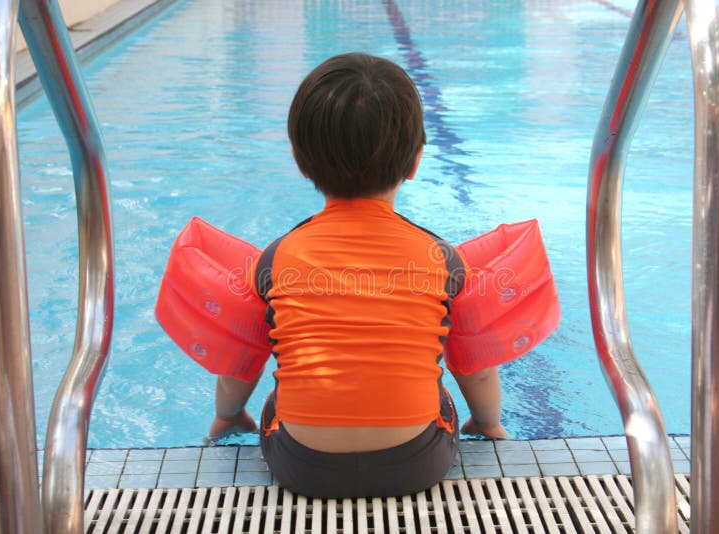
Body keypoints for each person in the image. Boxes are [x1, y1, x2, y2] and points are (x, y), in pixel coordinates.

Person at [209, 52, 506, 499]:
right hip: (417, 462)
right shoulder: (443, 259)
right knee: (435, 384)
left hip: (301, 466)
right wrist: (487, 423)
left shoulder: (274, 259)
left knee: (278, 397)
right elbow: (477, 368)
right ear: (415, 162)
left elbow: (240, 363)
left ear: (300, 162)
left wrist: (228, 417)